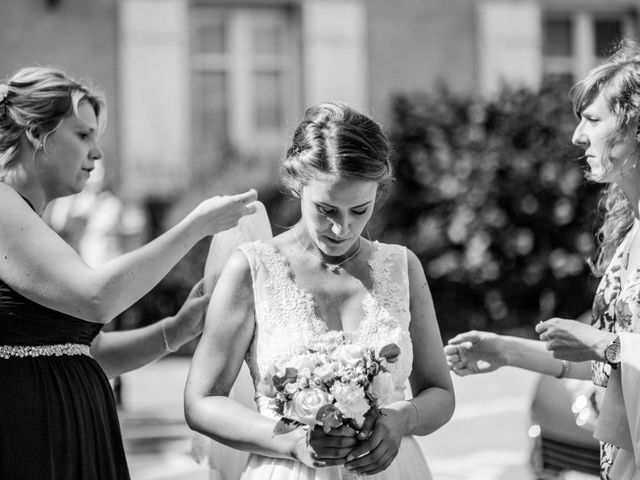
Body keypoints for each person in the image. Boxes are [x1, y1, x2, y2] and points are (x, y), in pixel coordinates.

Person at [0, 65, 258, 480]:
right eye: (83, 135)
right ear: (36, 133)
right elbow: (94, 298)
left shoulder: (33, 220)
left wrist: (177, 329)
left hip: (65, 439)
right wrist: (195, 227)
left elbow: (91, 353)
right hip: (24, 443)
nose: (97, 155)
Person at [184, 101, 455, 480]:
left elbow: (440, 393)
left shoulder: (402, 267)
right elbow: (201, 402)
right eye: (327, 210)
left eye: (359, 210)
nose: (342, 228)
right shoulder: (253, 269)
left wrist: (403, 418)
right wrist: (290, 440)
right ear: (298, 184)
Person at [445, 39, 640, 480]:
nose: (577, 136)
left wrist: (599, 343)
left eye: (592, 120)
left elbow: (611, 350)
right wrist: (505, 350)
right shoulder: (630, 239)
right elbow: (611, 361)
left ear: (635, 130)